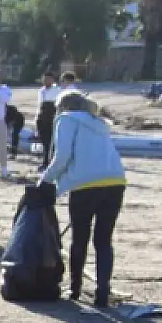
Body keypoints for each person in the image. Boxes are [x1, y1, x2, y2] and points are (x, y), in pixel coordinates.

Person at [40, 90, 126, 307]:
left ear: (62, 107)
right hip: (115, 182)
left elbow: (62, 157)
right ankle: (102, 293)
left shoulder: (66, 120)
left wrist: (46, 181)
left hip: (86, 185)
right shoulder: (99, 123)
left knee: (80, 238)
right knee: (103, 241)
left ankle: (75, 288)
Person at [35, 71, 61, 162]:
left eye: (48, 79)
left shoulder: (57, 90)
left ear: (52, 80)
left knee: (51, 141)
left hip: (52, 116)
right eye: (44, 79)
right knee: (44, 140)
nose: (46, 81)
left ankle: (50, 161)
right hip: (42, 116)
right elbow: (39, 105)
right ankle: (45, 160)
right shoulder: (41, 90)